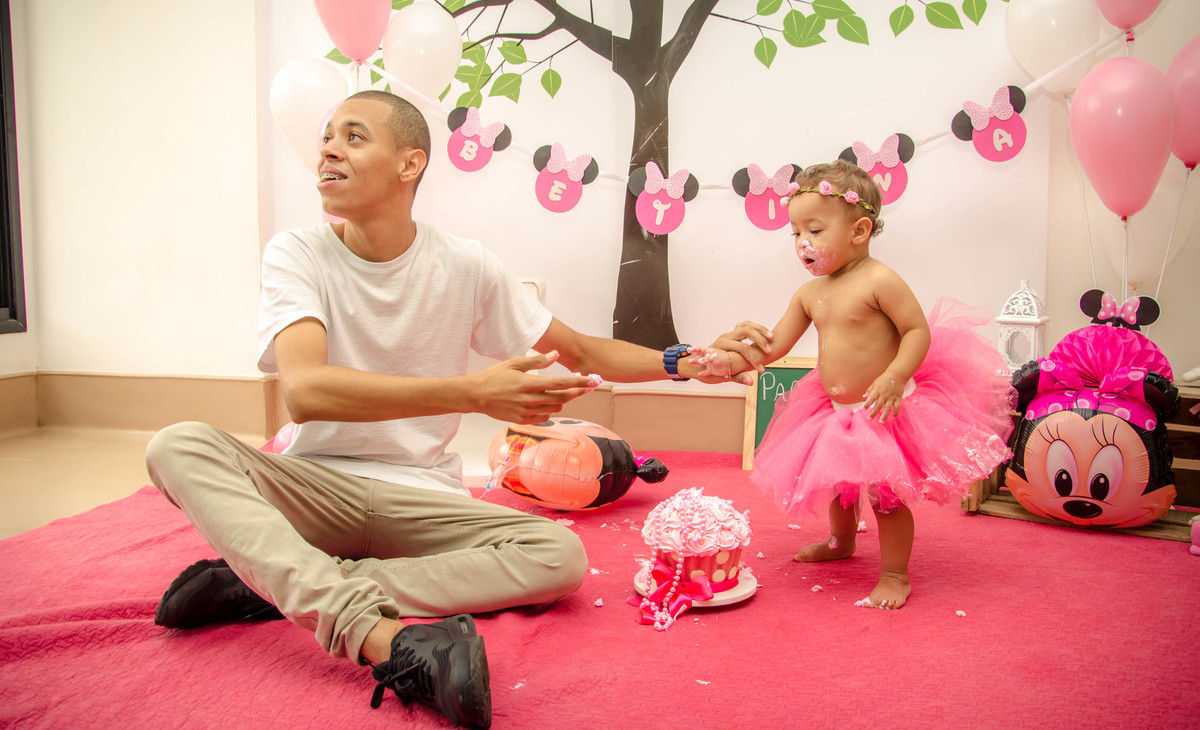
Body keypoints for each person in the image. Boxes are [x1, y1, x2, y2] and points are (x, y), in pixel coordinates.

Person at [145, 90, 737, 729]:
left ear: (410, 164)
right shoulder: (297, 252)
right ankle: (376, 636)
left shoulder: (464, 264)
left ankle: (281, 582)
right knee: (177, 445)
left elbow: (582, 350)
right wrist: (472, 392)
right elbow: (307, 391)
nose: (329, 150)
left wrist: (685, 362)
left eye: (353, 136)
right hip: (315, 489)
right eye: (326, 138)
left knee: (557, 557)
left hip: (419, 497)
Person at [691, 161, 1013, 611]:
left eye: (815, 230)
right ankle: (841, 541)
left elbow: (916, 330)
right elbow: (775, 346)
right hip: (835, 411)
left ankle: (895, 574)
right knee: (839, 482)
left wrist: (895, 375)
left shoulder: (879, 280)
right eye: (795, 233)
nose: (802, 243)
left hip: (883, 407)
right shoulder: (809, 294)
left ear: (859, 231)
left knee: (886, 496)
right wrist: (729, 359)